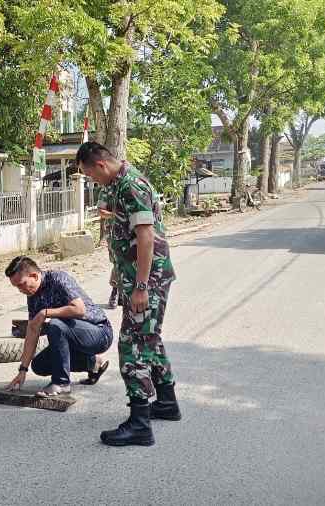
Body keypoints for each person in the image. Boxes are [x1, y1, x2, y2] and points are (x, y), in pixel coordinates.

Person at [76, 141, 182, 447]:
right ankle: (166, 402)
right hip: (140, 277)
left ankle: (139, 423)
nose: (93, 181)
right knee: (150, 339)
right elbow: (126, 236)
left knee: (131, 345)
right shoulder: (118, 184)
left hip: (149, 280)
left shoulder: (131, 185)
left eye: (90, 175)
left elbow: (146, 237)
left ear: (100, 165)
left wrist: (140, 286)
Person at [4, 257, 112, 397]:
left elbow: (79, 309)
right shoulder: (32, 295)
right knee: (39, 365)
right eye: (17, 287)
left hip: (99, 332)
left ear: (35, 276)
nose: (20, 290)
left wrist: (46, 312)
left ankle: (61, 383)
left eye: (21, 284)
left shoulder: (57, 278)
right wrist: (22, 370)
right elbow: (32, 331)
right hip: (73, 336)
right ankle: (92, 362)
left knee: (56, 325)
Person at [97, 187, 121, 309]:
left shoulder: (131, 187)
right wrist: (115, 215)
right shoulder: (107, 190)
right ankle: (115, 292)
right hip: (114, 232)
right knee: (117, 262)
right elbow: (101, 211)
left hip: (133, 232)